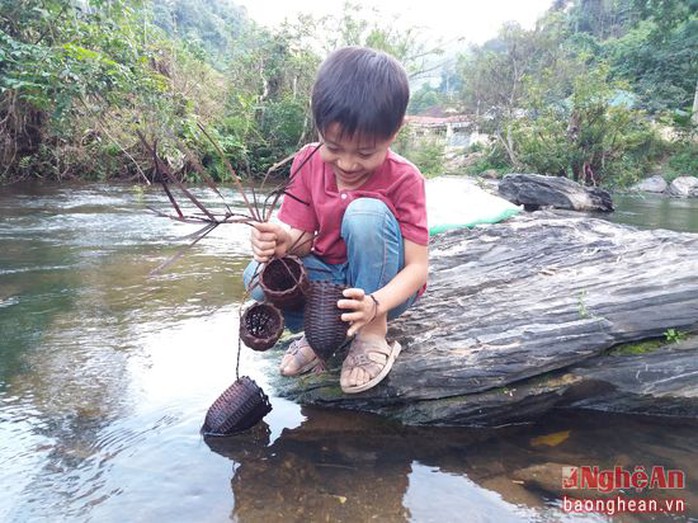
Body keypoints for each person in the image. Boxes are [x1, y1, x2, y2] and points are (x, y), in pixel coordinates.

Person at [243, 46, 428, 394]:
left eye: (364, 153)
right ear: (318, 127)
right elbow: (305, 239)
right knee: (255, 277)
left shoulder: (406, 178)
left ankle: (372, 335)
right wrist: (283, 241)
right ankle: (320, 333)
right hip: (329, 284)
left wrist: (374, 305)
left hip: (383, 290)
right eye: (333, 147)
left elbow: (417, 269)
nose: (346, 164)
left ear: (394, 133)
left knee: (365, 213)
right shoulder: (307, 160)